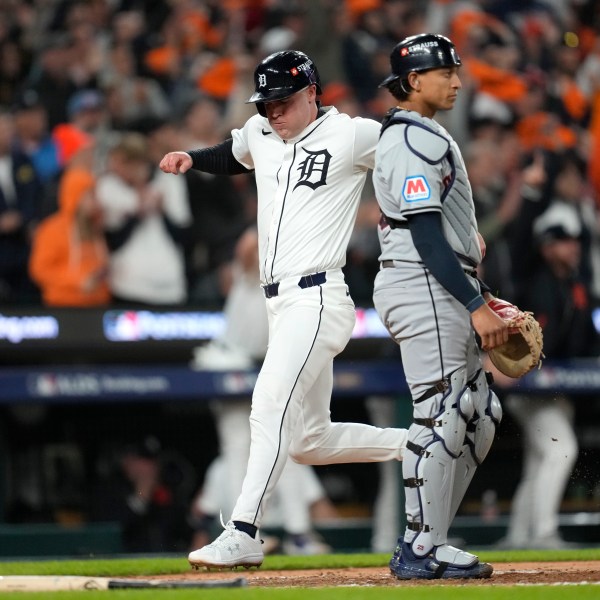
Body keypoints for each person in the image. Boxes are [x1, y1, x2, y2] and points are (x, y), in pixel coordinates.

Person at [160, 49, 408, 569]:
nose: (273, 112)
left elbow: (415, 150)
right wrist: (191, 157)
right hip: (278, 303)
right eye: (267, 102)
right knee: (308, 442)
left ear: (314, 93)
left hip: (318, 296)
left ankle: (245, 530)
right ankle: (426, 441)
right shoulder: (260, 132)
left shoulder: (353, 134)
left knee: (268, 404)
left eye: (284, 101)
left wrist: (439, 212)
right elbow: (233, 153)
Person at [372, 34, 509, 580]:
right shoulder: (410, 140)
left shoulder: (425, 134)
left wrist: (481, 295)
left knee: (480, 417)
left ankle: (425, 538)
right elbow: (427, 236)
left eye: (455, 70)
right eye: (444, 72)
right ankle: (419, 548)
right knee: (444, 413)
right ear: (412, 81)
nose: (456, 80)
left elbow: (447, 238)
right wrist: (475, 305)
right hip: (422, 281)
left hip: (440, 283)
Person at [189, 227, 336, 556]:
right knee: (237, 453)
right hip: (230, 364)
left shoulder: (295, 282)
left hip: (266, 368)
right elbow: (249, 244)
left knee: (287, 446)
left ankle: (299, 533)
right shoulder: (249, 273)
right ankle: (242, 533)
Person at [497, 201, 597, 549]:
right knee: (562, 449)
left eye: (575, 240)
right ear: (547, 245)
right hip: (528, 390)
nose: (573, 246)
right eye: (564, 240)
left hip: (556, 392)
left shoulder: (576, 284)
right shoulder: (532, 281)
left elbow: (585, 341)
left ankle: (518, 537)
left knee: (541, 459)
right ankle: (543, 534)